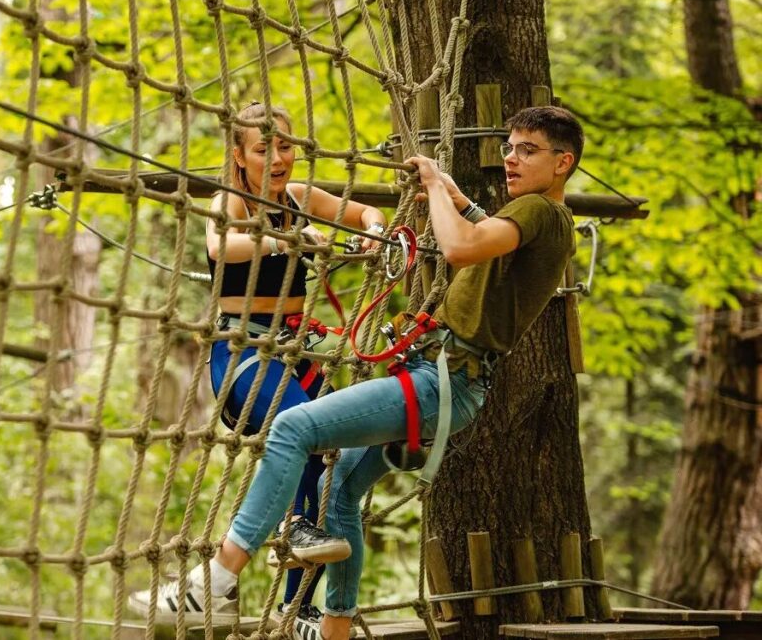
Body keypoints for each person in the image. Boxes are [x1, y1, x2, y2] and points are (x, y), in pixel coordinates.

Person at [130, 105, 583, 640]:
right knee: (336, 485)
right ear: (239, 157)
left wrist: (436, 185)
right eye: (509, 147)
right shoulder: (540, 220)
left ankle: (217, 580)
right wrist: (462, 202)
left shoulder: (538, 209)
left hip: (440, 380)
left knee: (293, 429)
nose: (511, 158)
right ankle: (333, 627)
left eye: (527, 150)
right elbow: (489, 239)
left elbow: (462, 247)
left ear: (563, 163)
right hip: (429, 377)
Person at [129, 102, 387, 633]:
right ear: (240, 156)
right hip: (245, 354)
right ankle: (221, 579)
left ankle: (297, 610)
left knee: (330, 466)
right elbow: (223, 245)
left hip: (296, 350)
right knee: (307, 433)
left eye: (285, 146)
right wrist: (287, 240)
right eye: (263, 149)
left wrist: (373, 227)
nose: (278, 158)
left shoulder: (298, 198)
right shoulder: (230, 201)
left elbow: (363, 212)